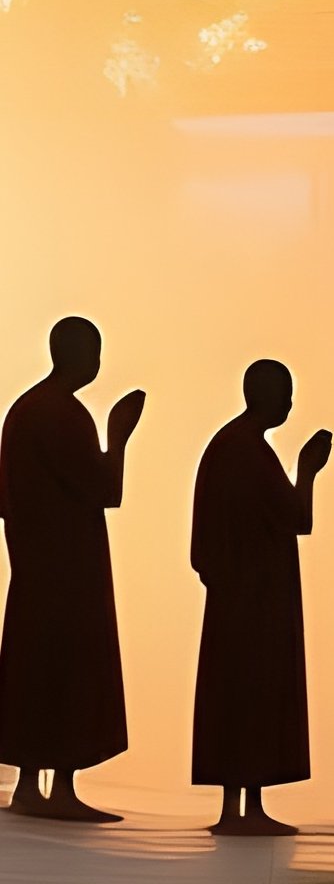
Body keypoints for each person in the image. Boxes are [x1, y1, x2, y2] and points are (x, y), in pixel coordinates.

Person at [0, 317, 145, 823]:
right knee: (67, 669)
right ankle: (59, 786)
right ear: (75, 354)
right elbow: (106, 489)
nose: (97, 362)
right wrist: (119, 436)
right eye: (94, 351)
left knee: (34, 668)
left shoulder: (24, 411)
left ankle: (27, 785)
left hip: (36, 567)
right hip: (68, 570)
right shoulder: (61, 414)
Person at [189, 360, 333, 837]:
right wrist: (308, 471)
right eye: (284, 394)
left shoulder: (229, 448)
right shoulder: (247, 452)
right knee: (250, 694)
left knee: (243, 696)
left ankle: (246, 803)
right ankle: (240, 805)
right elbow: (297, 517)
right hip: (255, 600)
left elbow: (202, 544)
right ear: (262, 395)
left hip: (240, 596)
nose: (289, 404)